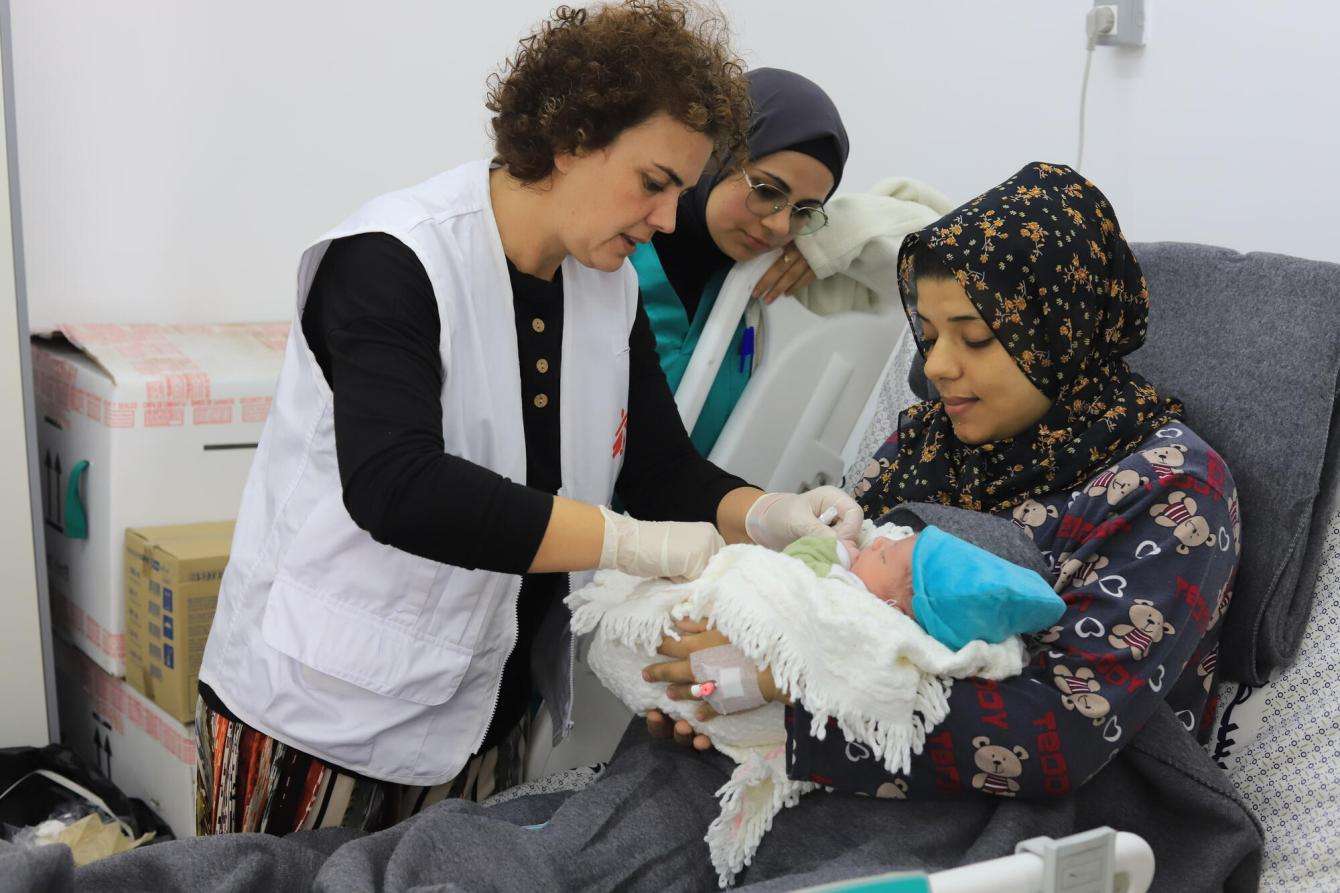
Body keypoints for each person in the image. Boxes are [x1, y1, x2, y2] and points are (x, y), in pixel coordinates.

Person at [194, 0, 860, 837]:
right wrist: (629, 542)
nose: (665, 219)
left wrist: (770, 514)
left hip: (483, 704)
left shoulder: (604, 285)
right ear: (571, 135)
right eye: (654, 183)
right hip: (322, 706)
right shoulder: (394, 259)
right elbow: (396, 485)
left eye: (681, 193)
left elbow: (662, 470)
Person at [648, 161, 1239, 803]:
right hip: (810, 763)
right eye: (927, 336)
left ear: (1061, 330)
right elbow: (831, 589)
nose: (936, 366)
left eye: (976, 338)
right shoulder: (928, 442)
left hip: (1029, 814)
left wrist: (790, 684)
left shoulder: (1170, 488)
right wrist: (706, 687)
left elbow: (1060, 736)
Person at [631, 67, 849, 455]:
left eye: (803, 212)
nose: (780, 226)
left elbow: (927, 245)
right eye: (766, 191)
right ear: (716, 155)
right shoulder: (611, 254)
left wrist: (833, 244)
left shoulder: (758, 283)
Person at [783, 525, 1065, 650]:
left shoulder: (851, 598)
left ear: (894, 609)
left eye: (884, 556)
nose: (879, 541)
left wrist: (837, 551)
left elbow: (789, 570)